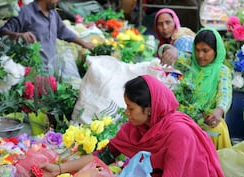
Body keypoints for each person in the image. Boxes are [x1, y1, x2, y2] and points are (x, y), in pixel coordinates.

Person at [40, 75, 225, 177]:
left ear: (150, 110)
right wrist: (59, 169)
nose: (126, 113)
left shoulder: (178, 133)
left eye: (131, 108)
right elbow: (104, 156)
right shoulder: (135, 127)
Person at [0, 0, 94, 71]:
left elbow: (64, 31)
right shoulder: (25, 13)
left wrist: (84, 43)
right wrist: (17, 35)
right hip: (31, 73)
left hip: (50, 71)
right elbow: (2, 31)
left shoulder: (53, 14)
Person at [161, 28, 232, 149]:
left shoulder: (222, 71)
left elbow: (225, 94)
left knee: (216, 129)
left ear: (216, 51)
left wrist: (219, 110)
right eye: (197, 50)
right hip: (186, 117)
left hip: (208, 120)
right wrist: (168, 49)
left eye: (205, 51)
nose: (200, 55)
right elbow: (164, 50)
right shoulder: (189, 61)